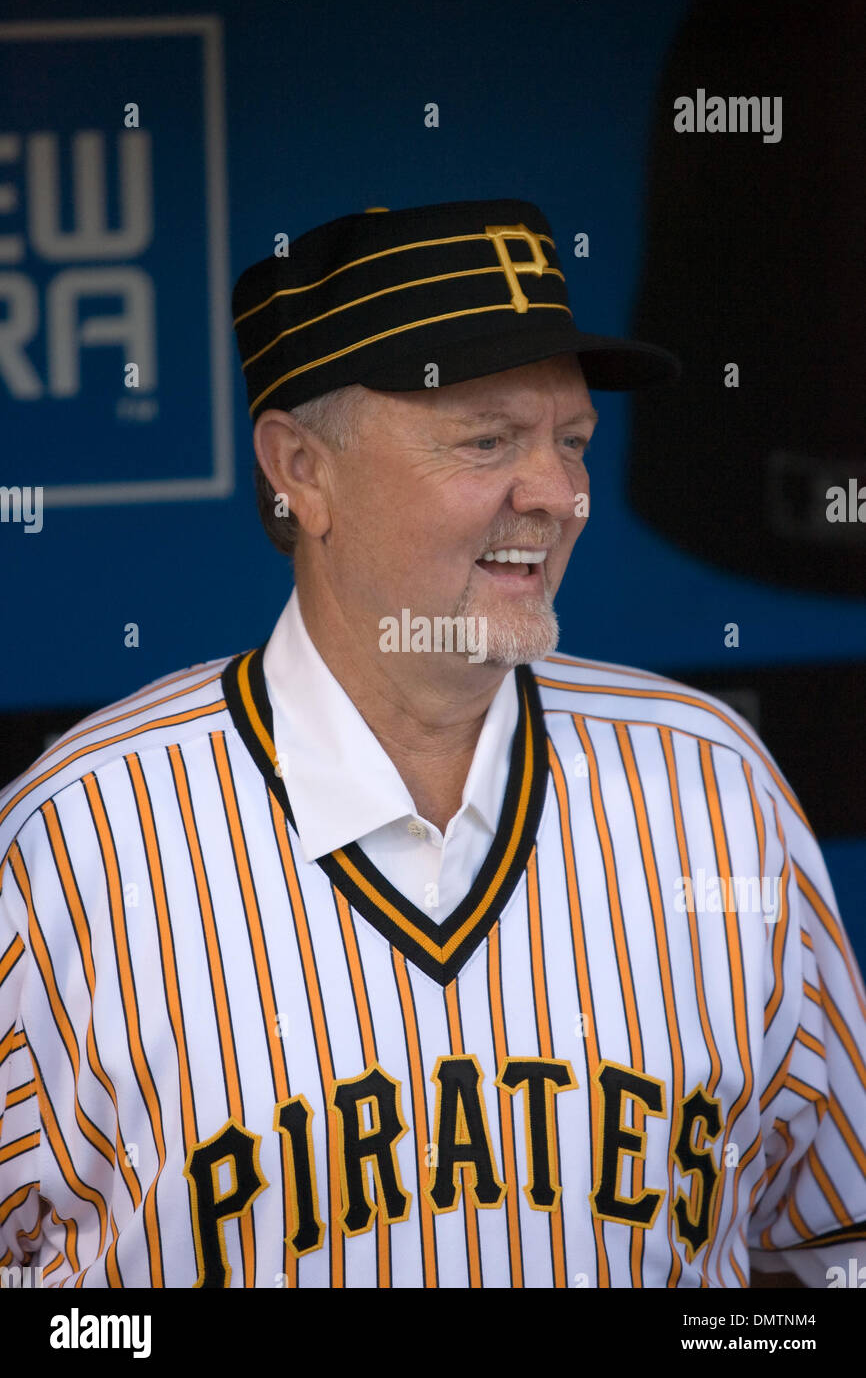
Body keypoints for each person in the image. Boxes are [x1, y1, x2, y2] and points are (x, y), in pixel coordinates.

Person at [1, 199, 863, 1288]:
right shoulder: (74, 845)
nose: (557, 495)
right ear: (300, 469)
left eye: (571, 441)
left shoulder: (714, 788)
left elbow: (839, 1248)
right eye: (486, 439)